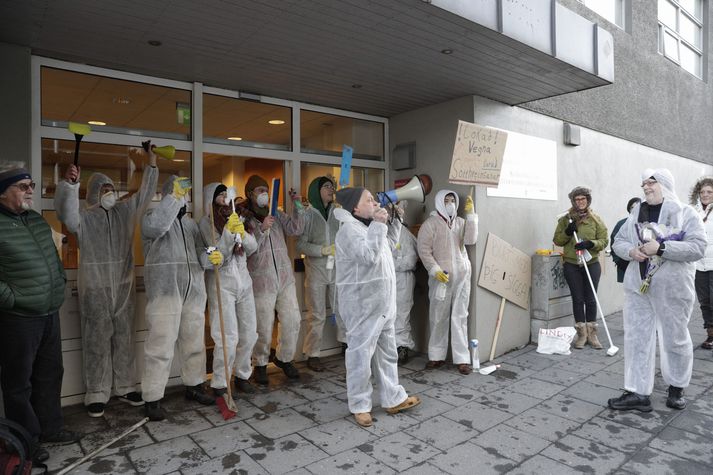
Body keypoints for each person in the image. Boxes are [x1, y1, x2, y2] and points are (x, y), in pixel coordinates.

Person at [54, 147, 158, 417]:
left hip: (123, 290)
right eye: (105, 189)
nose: (110, 193)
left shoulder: (124, 213)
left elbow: (144, 194)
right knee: (97, 342)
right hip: (96, 292)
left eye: (112, 188)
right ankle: (96, 393)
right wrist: (69, 185)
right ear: (93, 193)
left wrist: (152, 163)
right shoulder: (85, 219)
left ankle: (125, 386)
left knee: (124, 339)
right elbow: (66, 213)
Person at [0, 168, 79, 464]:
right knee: (19, 382)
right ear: (4, 192)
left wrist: (58, 284)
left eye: (31, 185)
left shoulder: (34, 219)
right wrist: (12, 299)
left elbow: (53, 259)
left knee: (50, 373)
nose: (30, 190)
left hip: (48, 311)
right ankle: (26, 439)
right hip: (18, 317)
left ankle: (51, 428)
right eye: (23, 186)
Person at [610, 169, 705, 412]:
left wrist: (662, 248)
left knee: (675, 336)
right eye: (644, 184)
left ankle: (676, 386)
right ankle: (637, 391)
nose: (646, 187)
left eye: (651, 183)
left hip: (672, 288)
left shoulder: (686, 213)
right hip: (638, 287)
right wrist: (631, 252)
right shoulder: (635, 212)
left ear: (665, 184)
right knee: (636, 336)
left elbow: (697, 247)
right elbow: (619, 242)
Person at [334, 187, 421, 427]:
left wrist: (395, 221)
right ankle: (360, 405)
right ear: (355, 208)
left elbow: (388, 247)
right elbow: (368, 256)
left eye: (374, 199)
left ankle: (393, 398)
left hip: (382, 305)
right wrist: (380, 224)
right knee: (360, 357)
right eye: (369, 200)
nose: (374, 203)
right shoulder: (348, 231)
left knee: (387, 354)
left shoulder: (368, 226)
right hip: (362, 306)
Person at [140, 176, 219, 421]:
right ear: (167, 194)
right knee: (160, 346)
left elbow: (199, 253)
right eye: (179, 192)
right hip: (165, 293)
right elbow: (158, 227)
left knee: (194, 342)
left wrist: (211, 254)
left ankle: (194, 385)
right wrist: (172, 199)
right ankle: (152, 397)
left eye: (185, 193)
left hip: (193, 292)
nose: (183, 197)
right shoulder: (152, 219)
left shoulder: (190, 225)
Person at [243, 175, 304, 385]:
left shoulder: (276, 213)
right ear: (250, 194)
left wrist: (297, 203)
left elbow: (295, 229)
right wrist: (261, 229)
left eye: (266, 189)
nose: (264, 194)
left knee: (293, 320)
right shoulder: (245, 218)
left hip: (285, 278)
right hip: (261, 281)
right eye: (259, 190)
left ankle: (284, 358)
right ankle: (259, 363)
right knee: (263, 325)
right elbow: (247, 249)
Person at [199, 183, 258, 396]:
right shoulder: (206, 224)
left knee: (249, 332)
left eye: (226, 194)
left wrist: (242, 231)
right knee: (227, 335)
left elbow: (252, 249)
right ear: (210, 199)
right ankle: (220, 382)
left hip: (244, 282)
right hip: (222, 284)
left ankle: (243, 374)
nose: (224, 197)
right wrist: (226, 233)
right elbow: (218, 257)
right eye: (219, 195)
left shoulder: (237, 215)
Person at [416, 190, 478, 374]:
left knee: (460, 316)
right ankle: (436, 356)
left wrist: (471, 216)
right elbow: (424, 250)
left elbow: (471, 239)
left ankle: (462, 359)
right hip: (441, 279)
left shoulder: (460, 222)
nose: (450, 203)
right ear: (439, 202)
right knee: (438, 316)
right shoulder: (430, 224)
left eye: (452, 200)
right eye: (446, 200)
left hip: (462, 277)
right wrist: (434, 270)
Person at [297, 176, 346, 371]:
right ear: (316, 190)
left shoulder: (338, 213)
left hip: (337, 269)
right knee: (316, 314)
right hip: (316, 270)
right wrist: (322, 250)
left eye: (332, 186)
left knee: (342, 309)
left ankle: (345, 343)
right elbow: (300, 244)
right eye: (326, 186)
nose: (330, 189)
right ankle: (313, 353)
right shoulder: (308, 215)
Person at [553, 187, 609, 350]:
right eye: (577, 200)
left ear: (588, 200)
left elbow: (604, 240)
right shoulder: (566, 220)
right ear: (573, 202)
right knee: (578, 299)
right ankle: (581, 334)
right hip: (572, 264)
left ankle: (592, 334)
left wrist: (591, 244)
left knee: (590, 298)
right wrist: (568, 233)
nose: (580, 202)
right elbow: (557, 240)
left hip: (590, 263)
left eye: (583, 199)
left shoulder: (596, 219)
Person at [391, 203, 419, 364]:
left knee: (401, 314)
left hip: (403, 281)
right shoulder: (382, 232)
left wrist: (392, 263)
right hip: (387, 281)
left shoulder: (406, 235)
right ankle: (389, 347)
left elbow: (410, 260)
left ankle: (401, 346)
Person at [689, 177, 713, 349]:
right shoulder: (693, 211)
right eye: (702, 192)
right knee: (704, 301)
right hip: (698, 265)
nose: (705, 195)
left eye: (709, 192)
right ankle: (710, 334)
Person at [611, 197, 642, 283]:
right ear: (629, 209)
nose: (635, 209)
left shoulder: (647, 223)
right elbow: (615, 244)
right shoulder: (622, 224)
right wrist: (619, 262)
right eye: (632, 207)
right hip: (625, 264)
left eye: (638, 207)